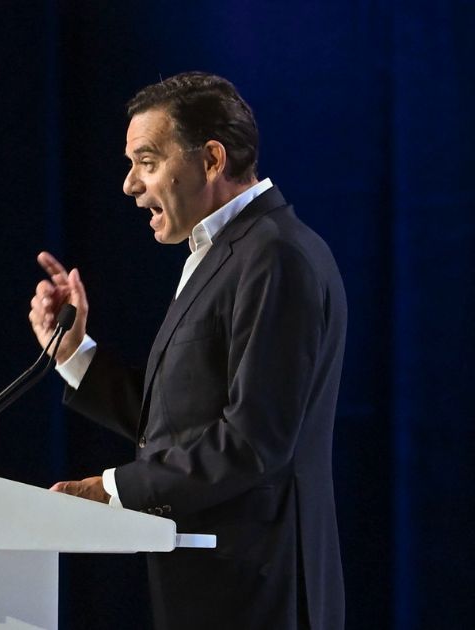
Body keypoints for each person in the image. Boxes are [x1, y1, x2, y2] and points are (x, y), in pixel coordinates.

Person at [32, 72, 346, 629]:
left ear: (212, 159)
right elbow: (183, 424)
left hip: (260, 594)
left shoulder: (275, 255)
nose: (130, 185)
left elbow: (253, 441)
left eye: (147, 162)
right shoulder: (229, 252)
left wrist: (112, 489)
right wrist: (75, 353)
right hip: (216, 587)